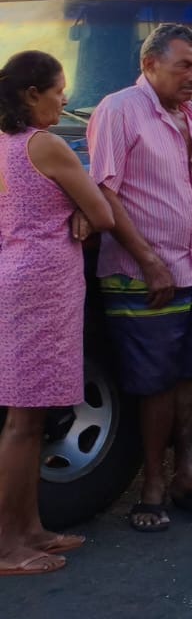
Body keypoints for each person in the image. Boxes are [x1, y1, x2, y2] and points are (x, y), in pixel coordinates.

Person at [88, 24, 192, 534]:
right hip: (142, 273)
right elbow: (104, 191)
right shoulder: (119, 109)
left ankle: (188, 475)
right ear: (150, 65)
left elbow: (181, 180)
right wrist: (147, 260)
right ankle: (150, 487)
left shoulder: (190, 115)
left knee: (191, 377)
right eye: (183, 65)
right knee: (155, 384)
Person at [0, 51, 113, 575]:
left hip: (17, 275)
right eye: (59, 89)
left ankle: (30, 529)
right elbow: (103, 211)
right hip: (43, 285)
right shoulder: (44, 144)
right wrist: (82, 216)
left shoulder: (4, 143)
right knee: (24, 422)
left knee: (30, 415)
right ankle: (7, 545)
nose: (65, 99)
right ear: (32, 95)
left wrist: (73, 213)